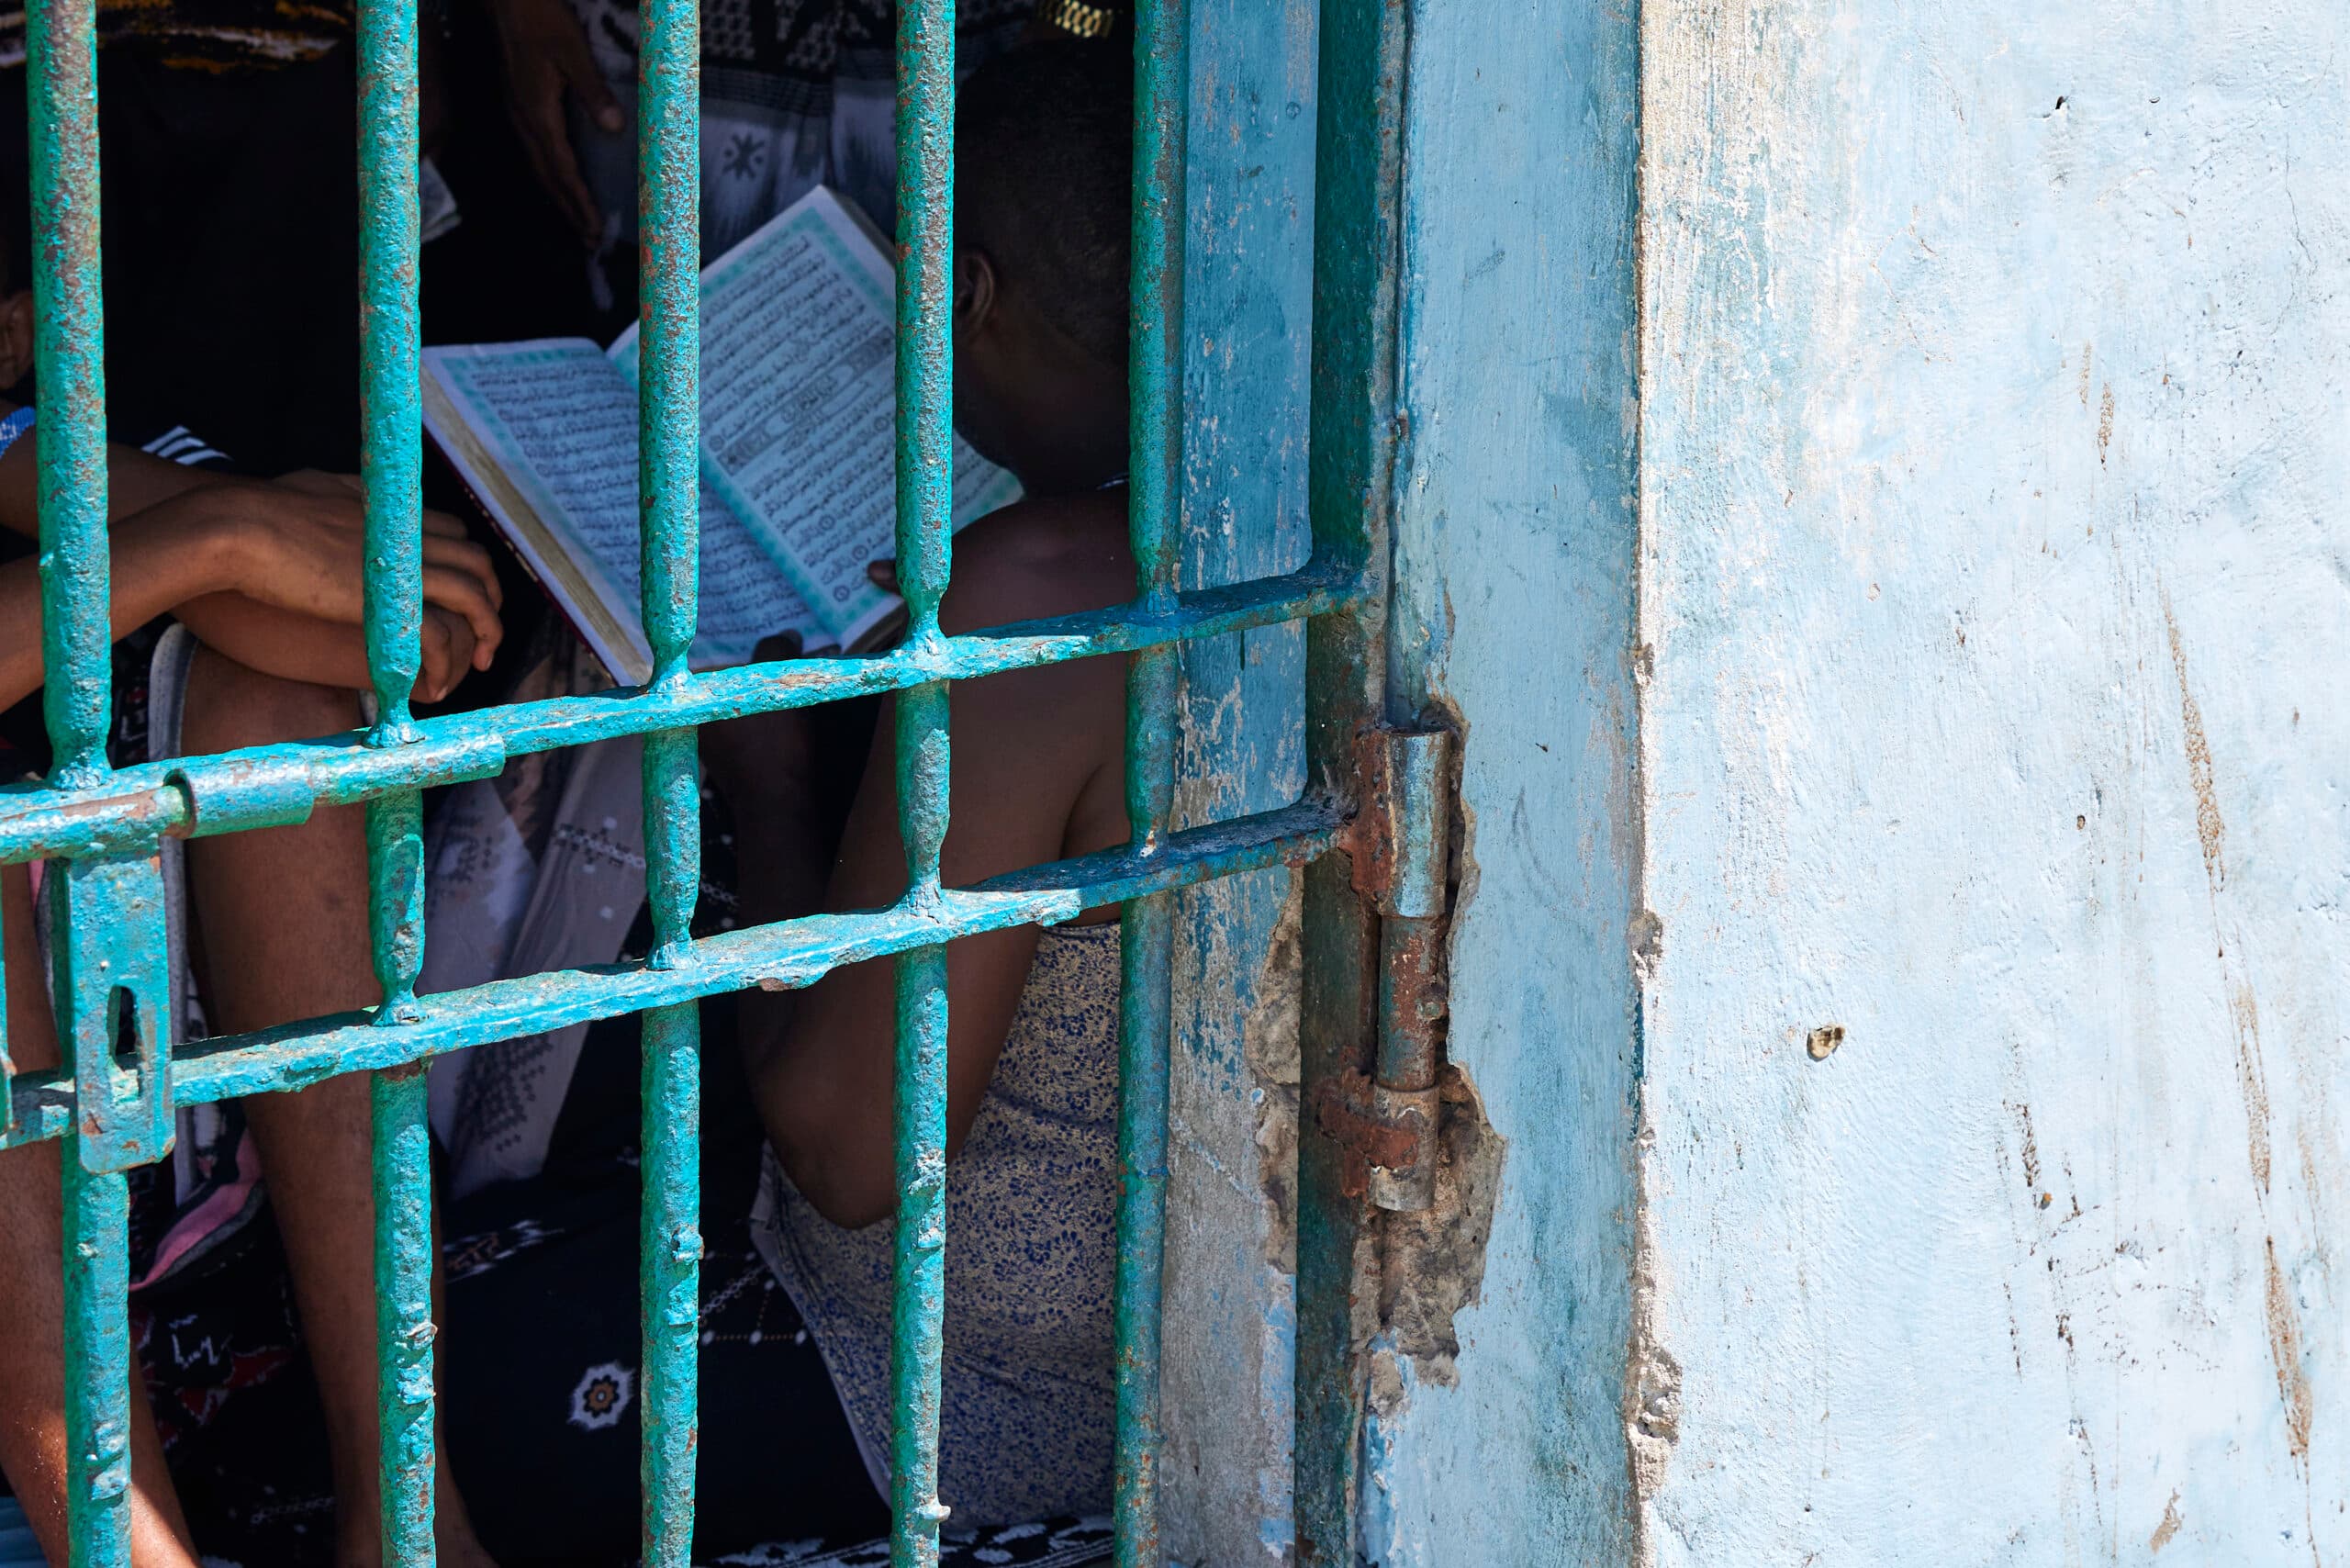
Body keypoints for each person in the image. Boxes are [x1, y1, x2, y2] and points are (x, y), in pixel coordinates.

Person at [0, 243, 509, 1566]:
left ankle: (405, 1513)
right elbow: (243, 555)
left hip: (123, 1121)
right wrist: (211, 540)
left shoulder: (32, 452)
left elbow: (384, 640)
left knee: (272, 716)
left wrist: (209, 536)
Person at [722, 38, 1137, 1526]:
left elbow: (845, 1151)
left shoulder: (1032, 597)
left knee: (437, 1361)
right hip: (1147, 1350)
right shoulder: (1248, 510)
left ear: (968, 294)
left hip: (943, 1402)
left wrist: (766, 781)